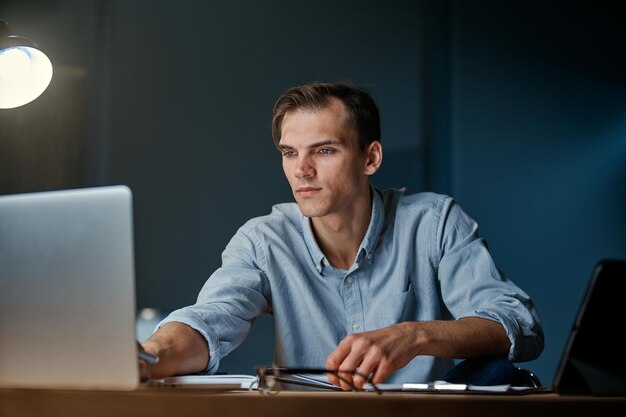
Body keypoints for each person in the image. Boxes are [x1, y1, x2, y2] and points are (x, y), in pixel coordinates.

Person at [139, 82, 544, 390]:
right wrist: (147, 357)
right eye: (290, 152)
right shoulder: (263, 240)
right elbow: (209, 319)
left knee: (496, 371)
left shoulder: (434, 222)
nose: (302, 170)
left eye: (324, 150)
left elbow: (518, 324)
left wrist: (412, 336)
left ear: (371, 158)